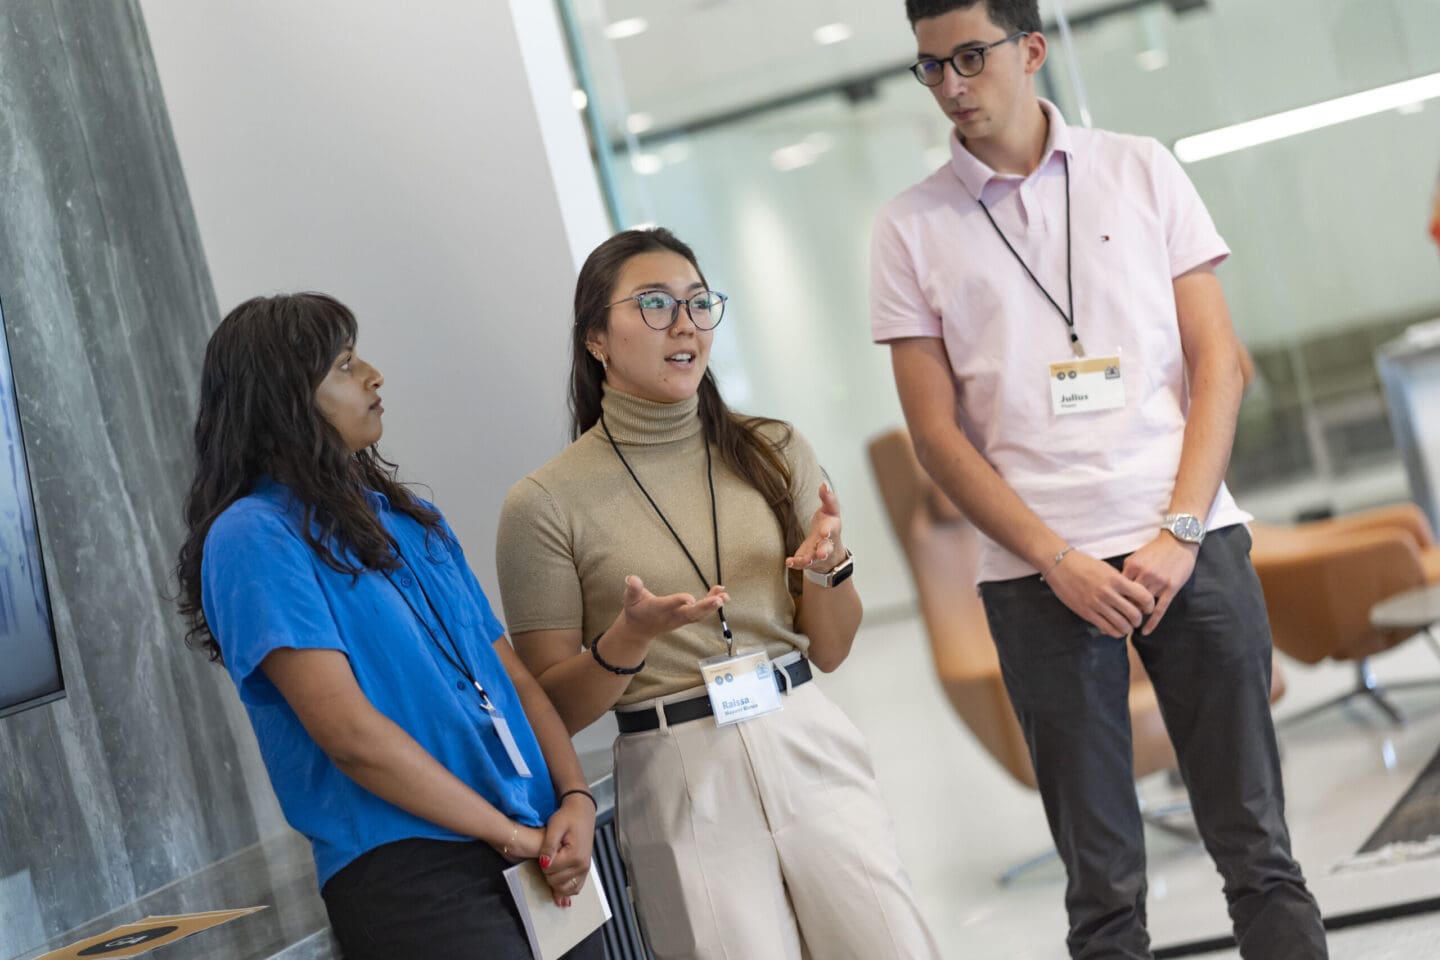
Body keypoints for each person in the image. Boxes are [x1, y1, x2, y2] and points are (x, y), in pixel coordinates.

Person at [871, 2, 1329, 958]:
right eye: (929, 67)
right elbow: (937, 438)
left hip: (1193, 550)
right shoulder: (910, 228)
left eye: (969, 57)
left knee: (1260, 853)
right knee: (1104, 892)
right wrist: (1058, 560)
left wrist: (1182, 530)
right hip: (1039, 583)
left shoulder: (1140, 167)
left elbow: (1220, 365)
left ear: (1030, 50)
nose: (951, 86)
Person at [495, 228, 940, 960]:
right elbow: (553, 712)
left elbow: (828, 648)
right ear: (597, 339)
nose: (685, 324)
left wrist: (828, 564)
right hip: (676, 766)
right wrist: (627, 640)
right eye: (656, 304)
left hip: (804, 731)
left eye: (700, 303)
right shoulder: (543, 503)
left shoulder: (773, 448)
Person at [174, 293, 604, 960]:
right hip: (413, 868)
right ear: (286, 399)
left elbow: (511, 677)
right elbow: (348, 734)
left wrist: (574, 797)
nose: (374, 375)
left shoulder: (411, 522)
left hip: (535, 839)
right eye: (345, 365)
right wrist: (508, 835)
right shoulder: (252, 535)